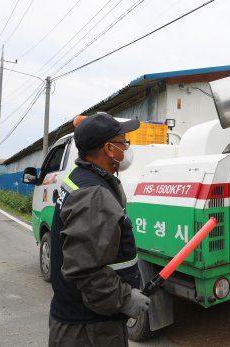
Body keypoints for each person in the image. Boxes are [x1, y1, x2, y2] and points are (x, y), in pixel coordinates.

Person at [48, 112, 150, 347]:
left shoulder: (80, 177)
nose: (127, 147)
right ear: (109, 149)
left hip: (81, 321)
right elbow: (85, 270)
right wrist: (125, 298)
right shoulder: (94, 194)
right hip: (88, 331)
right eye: (124, 142)